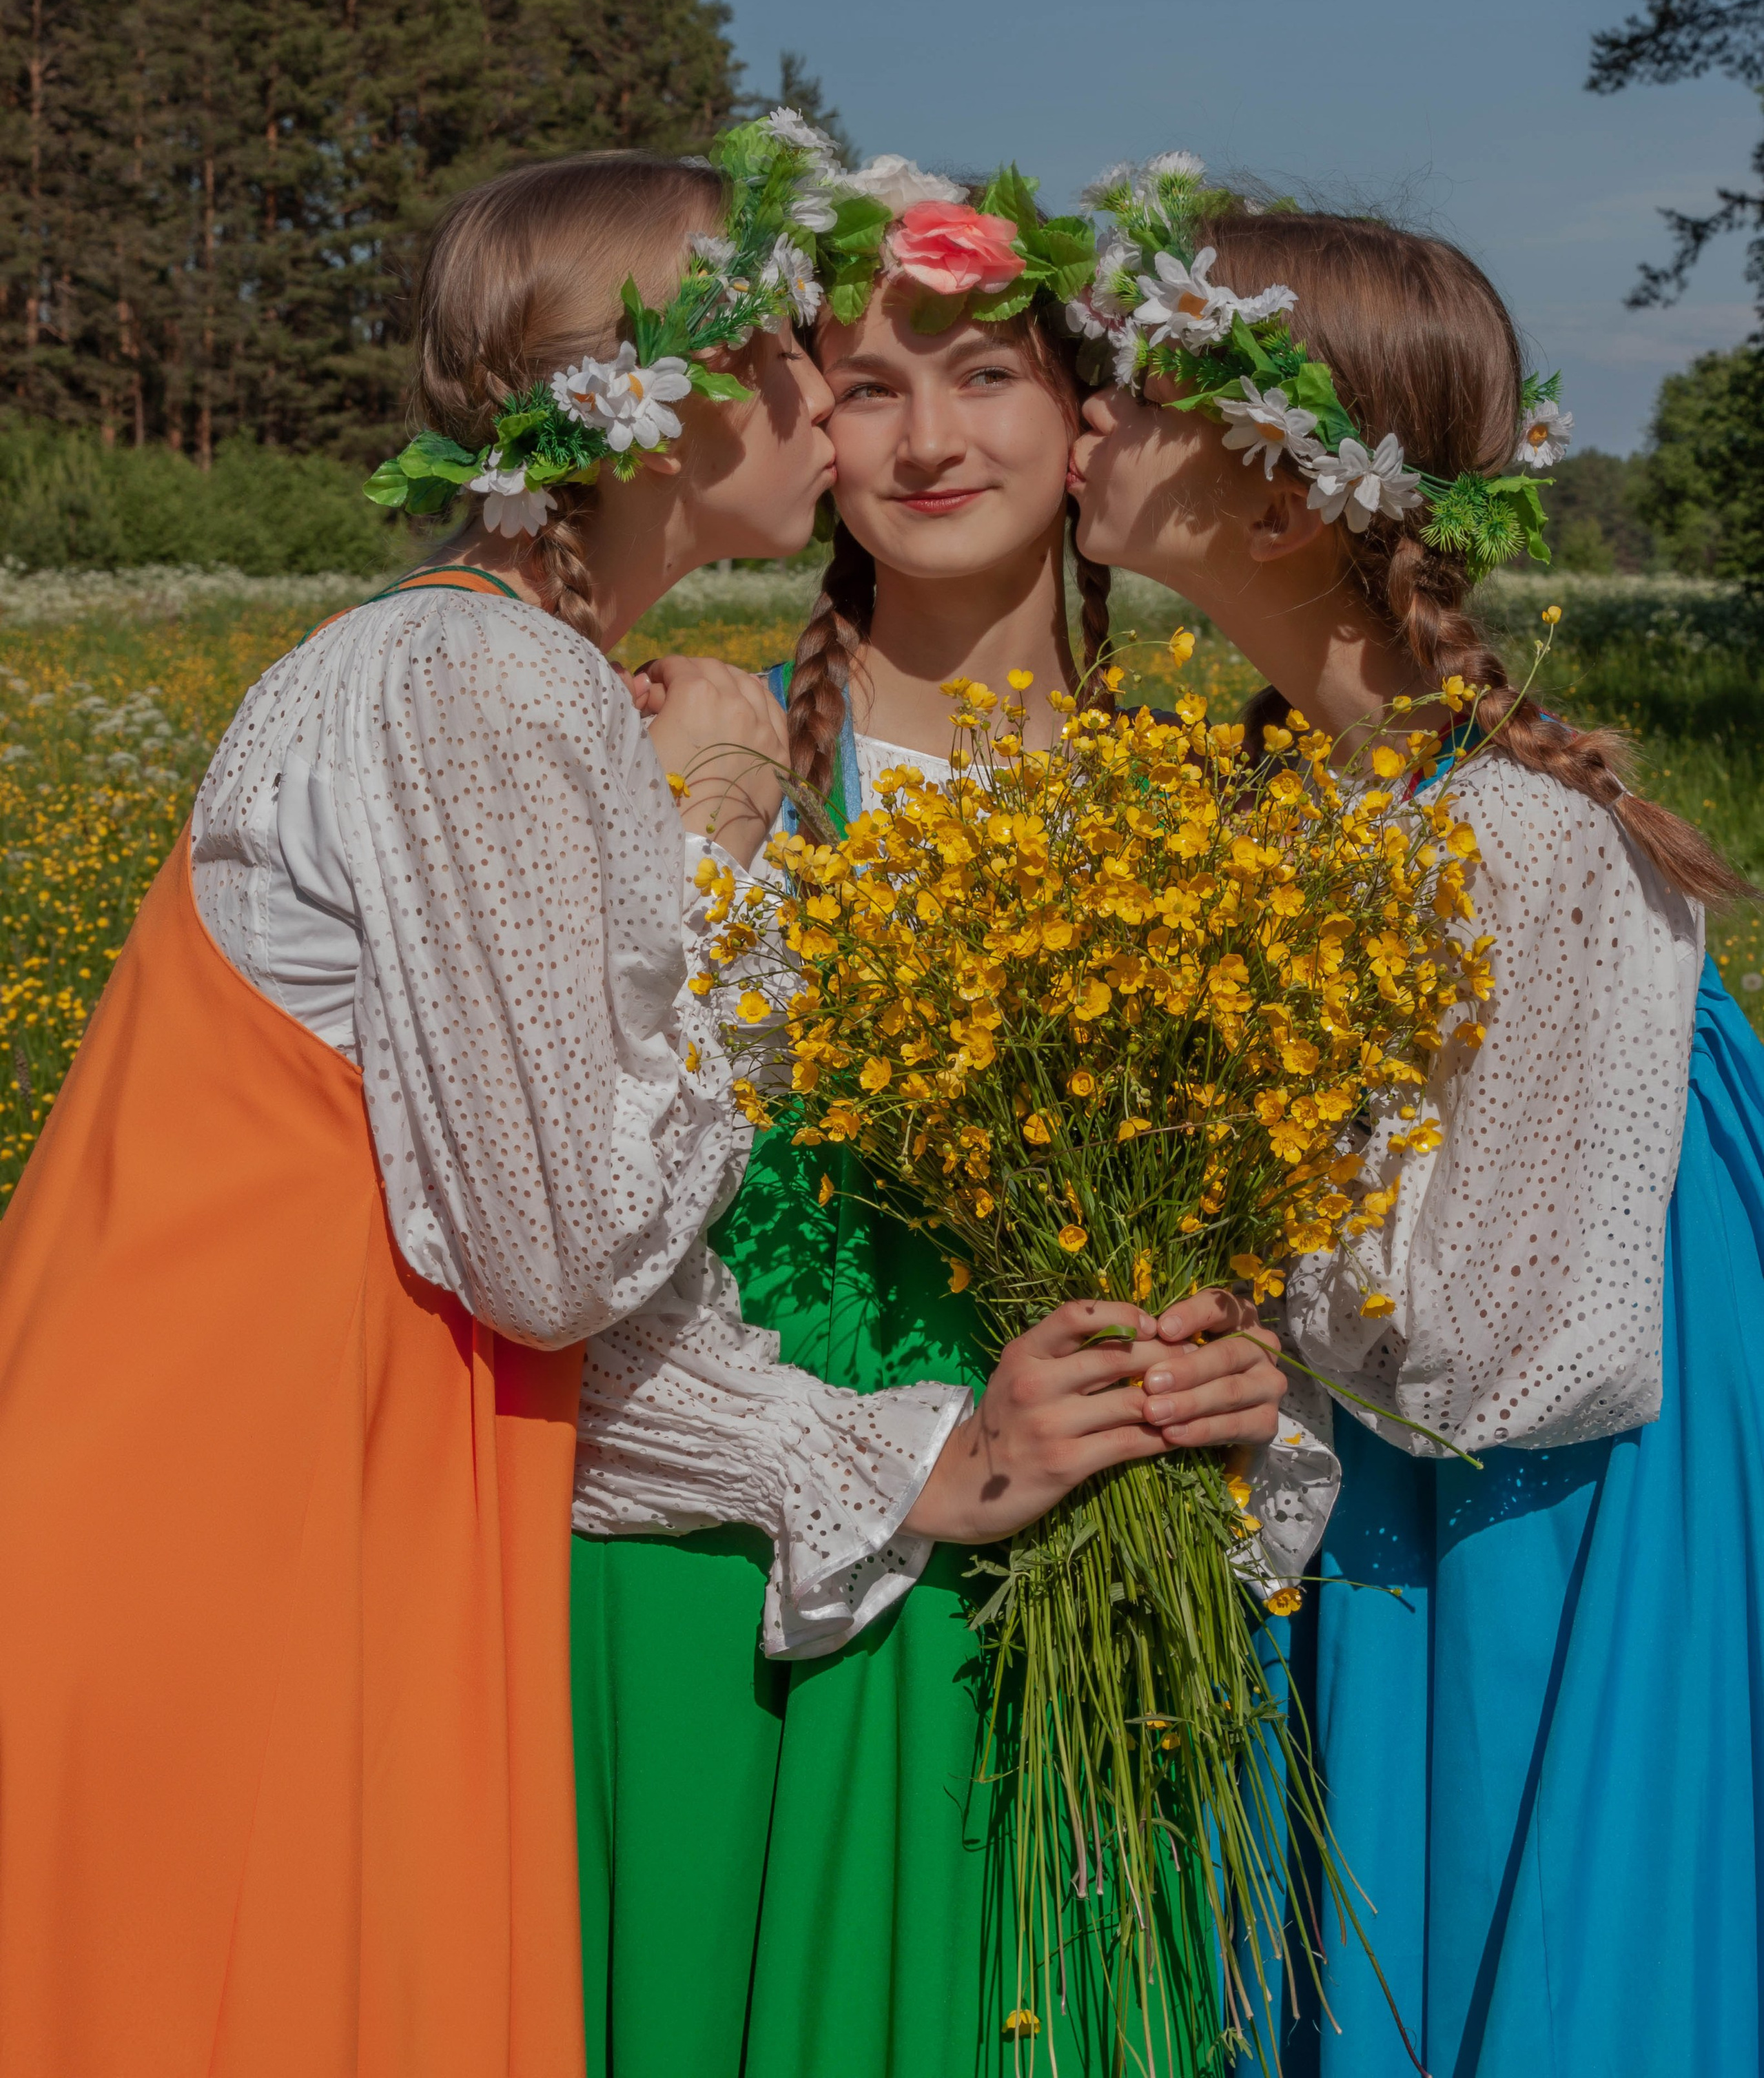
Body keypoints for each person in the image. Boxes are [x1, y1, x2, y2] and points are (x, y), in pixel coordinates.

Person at [0, 134, 1175, 2078]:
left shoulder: (483, 662)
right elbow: (560, 1245)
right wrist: (721, 826)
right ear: (660, 401)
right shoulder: (487, 680)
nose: (827, 402)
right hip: (235, 1522)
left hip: (292, 1502)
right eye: (792, 357)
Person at [571, 181, 1321, 2078]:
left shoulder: (1234, 814)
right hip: (761, 1592)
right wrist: (907, 1463)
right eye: (866, 385)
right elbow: (577, 1231)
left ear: (1088, 421)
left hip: (1110, 1611)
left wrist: (1251, 1379)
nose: (925, 441)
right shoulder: (699, 756)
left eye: (985, 375)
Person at [1067, 168, 1764, 2078]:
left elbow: (1522, 1351)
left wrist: (1225, 1276)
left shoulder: (1523, 845)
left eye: (1142, 386)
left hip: (1514, 1560)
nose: (1089, 409)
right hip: (1384, 1502)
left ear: (1283, 502)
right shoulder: (1292, 801)